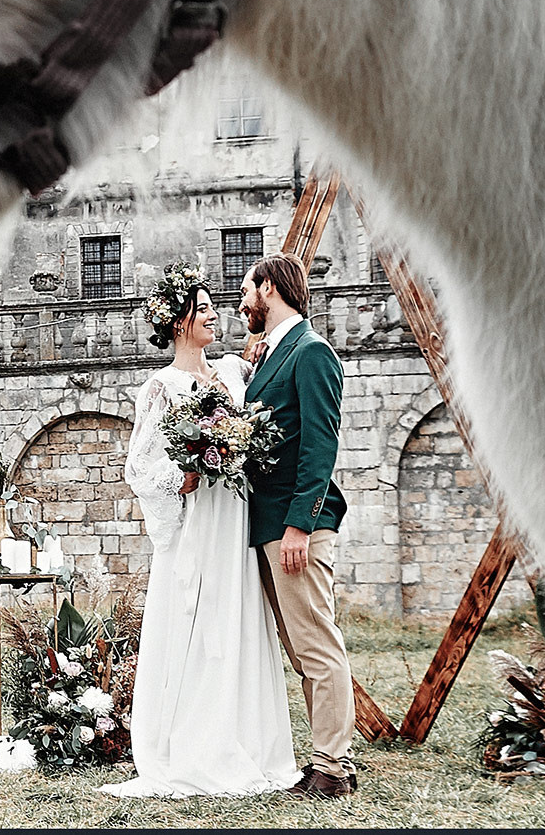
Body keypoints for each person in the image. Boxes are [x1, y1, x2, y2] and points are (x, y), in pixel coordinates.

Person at [98, 265, 302, 799]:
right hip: (196, 522)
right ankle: (192, 743)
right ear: (178, 320)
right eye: (203, 306)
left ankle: (243, 738)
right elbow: (140, 467)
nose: (214, 313)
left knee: (235, 617)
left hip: (233, 519)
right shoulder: (160, 387)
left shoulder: (236, 370)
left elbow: (259, 391)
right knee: (195, 619)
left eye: (215, 304)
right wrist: (186, 476)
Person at [241, 251, 357, 798]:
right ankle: (323, 759)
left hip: (295, 523)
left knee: (315, 641)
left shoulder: (312, 352)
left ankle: (334, 766)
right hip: (266, 523)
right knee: (299, 645)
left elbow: (319, 445)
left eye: (247, 290)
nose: (242, 303)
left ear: (268, 287)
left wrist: (299, 527)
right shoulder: (271, 355)